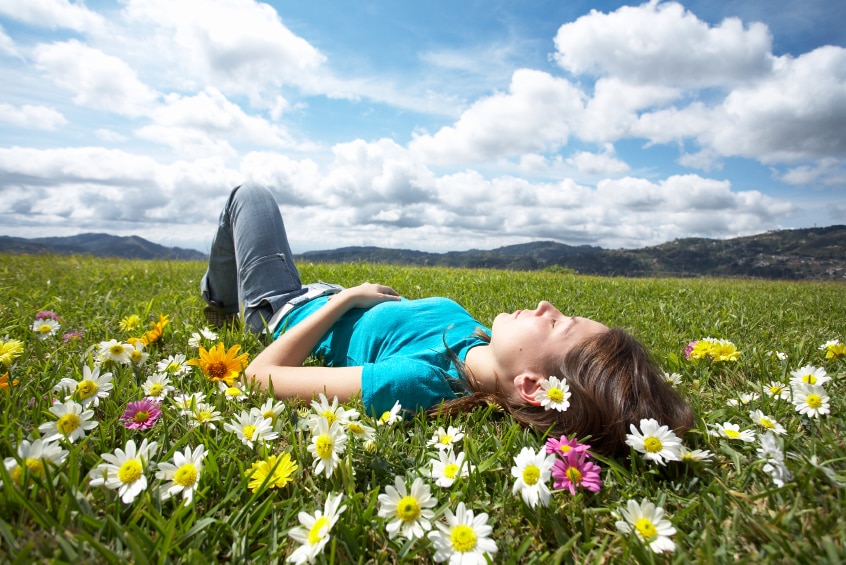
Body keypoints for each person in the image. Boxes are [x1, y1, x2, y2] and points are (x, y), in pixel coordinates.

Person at [202, 184, 694, 456]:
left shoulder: (419, 381)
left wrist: (345, 299)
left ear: (531, 387)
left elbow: (259, 378)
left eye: (557, 325)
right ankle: (221, 293)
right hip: (326, 295)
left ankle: (219, 299)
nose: (547, 307)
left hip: (286, 307)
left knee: (250, 197)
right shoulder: (483, 346)